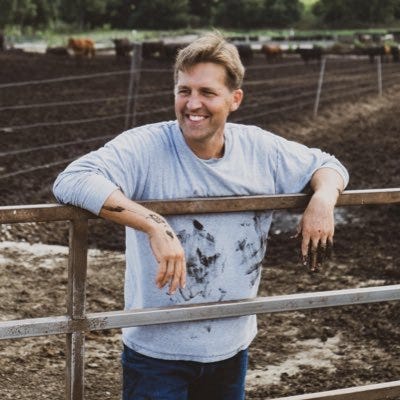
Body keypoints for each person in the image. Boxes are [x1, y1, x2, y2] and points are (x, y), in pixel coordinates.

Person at [53, 32, 349, 400]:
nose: (193, 104)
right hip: (157, 353)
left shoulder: (260, 148)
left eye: (207, 92)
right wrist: (154, 224)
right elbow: (72, 179)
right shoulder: (144, 147)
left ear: (234, 99)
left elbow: (327, 165)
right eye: (184, 91)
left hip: (231, 346)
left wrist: (322, 199)